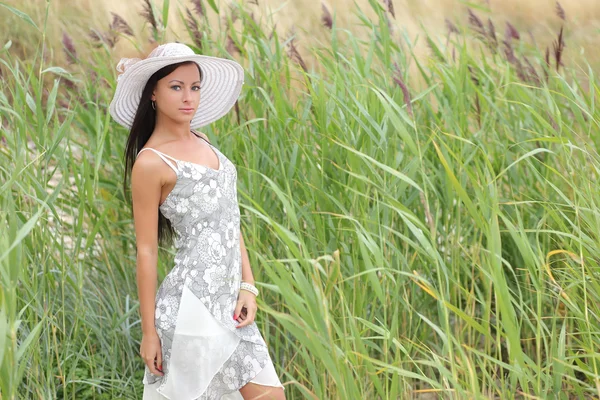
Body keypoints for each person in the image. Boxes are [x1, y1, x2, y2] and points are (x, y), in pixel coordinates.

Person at [109, 42, 286, 400]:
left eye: (195, 87)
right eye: (176, 87)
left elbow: (228, 218)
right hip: (192, 307)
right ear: (153, 94)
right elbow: (146, 251)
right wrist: (149, 333)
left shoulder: (204, 141)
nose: (188, 97)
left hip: (228, 304)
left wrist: (247, 285)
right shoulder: (150, 163)